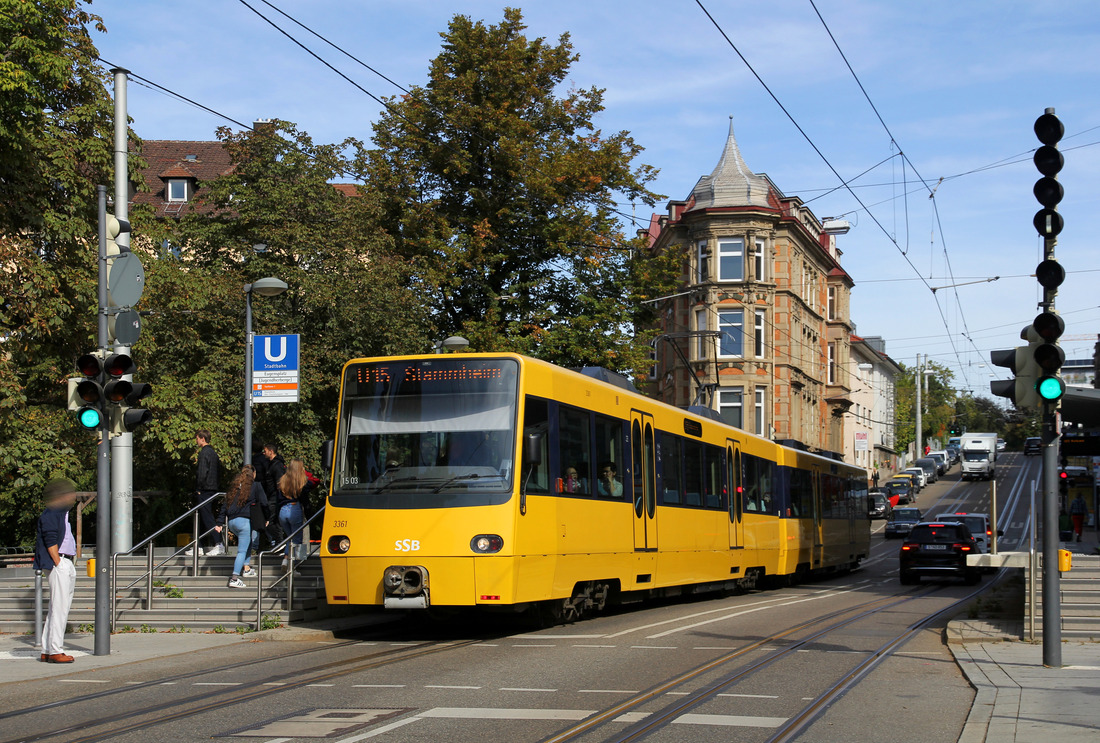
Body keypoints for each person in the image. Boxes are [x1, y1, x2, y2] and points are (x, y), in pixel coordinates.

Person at [34, 479, 78, 663]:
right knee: (60, 608)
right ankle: (55, 650)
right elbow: (50, 538)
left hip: (63, 560)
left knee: (56, 607)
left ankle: (47, 648)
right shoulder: (51, 513)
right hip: (58, 562)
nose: (72, 498)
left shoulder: (60, 513)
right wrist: (58, 561)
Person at [215, 466, 269, 588]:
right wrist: (267, 518)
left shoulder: (234, 489)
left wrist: (219, 522)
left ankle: (246, 569)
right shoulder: (255, 486)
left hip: (232, 522)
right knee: (241, 550)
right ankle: (234, 578)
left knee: (248, 542)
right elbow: (264, 503)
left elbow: (225, 506)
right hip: (245, 522)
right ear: (253, 474)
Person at [277, 459, 316, 571]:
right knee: (298, 539)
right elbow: (307, 496)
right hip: (295, 508)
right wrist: (310, 516)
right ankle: (295, 566)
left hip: (283, 511)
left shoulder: (282, 480)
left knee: (290, 538)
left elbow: (277, 499)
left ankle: (285, 559)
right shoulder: (302, 482)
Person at [190, 430, 223, 556]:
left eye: (197, 438)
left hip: (205, 489)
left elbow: (202, 473)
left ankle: (218, 542)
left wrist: (198, 488)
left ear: (202, 439)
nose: (196, 441)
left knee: (207, 517)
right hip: (213, 488)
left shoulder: (204, 453)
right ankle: (199, 545)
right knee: (203, 517)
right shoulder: (213, 453)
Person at [261, 443, 287, 546]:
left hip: (275, 496)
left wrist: (278, 495)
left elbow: (279, 482)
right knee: (272, 521)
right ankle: (278, 542)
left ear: (271, 452)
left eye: (265, 451)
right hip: (272, 495)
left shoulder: (277, 465)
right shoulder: (271, 464)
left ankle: (279, 542)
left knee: (273, 521)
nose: (264, 453)